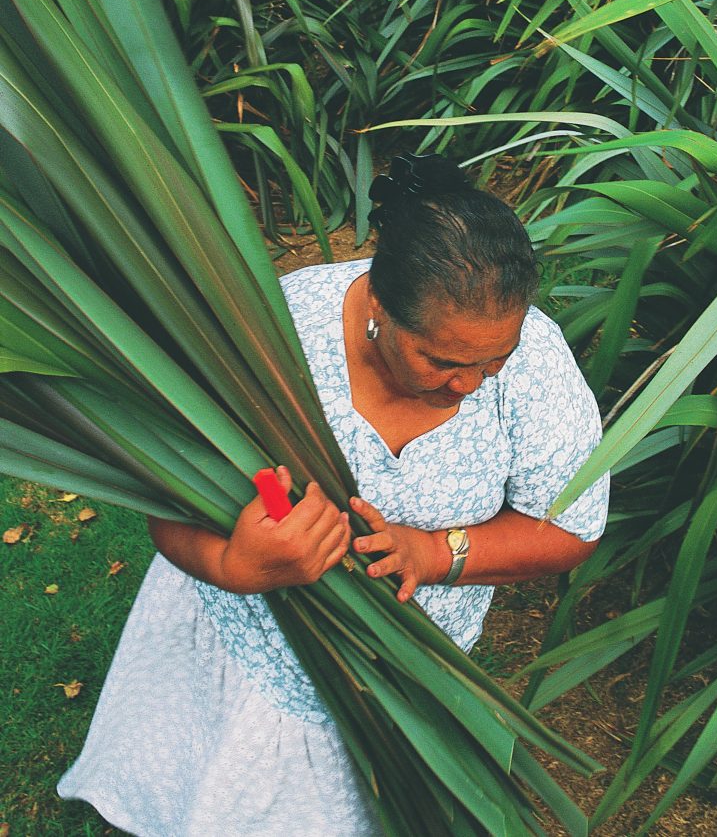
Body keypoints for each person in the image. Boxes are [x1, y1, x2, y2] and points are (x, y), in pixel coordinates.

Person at [58, 154, 610, 837]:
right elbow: (169, 501)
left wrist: (435, 555)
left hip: (402, 673)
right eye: (440, 360)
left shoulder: (536, 369)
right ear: (377, 306)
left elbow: (569, 528)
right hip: (251, 656)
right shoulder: (275, 337)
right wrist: (237, 568)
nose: (470, 384)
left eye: (492, 360)